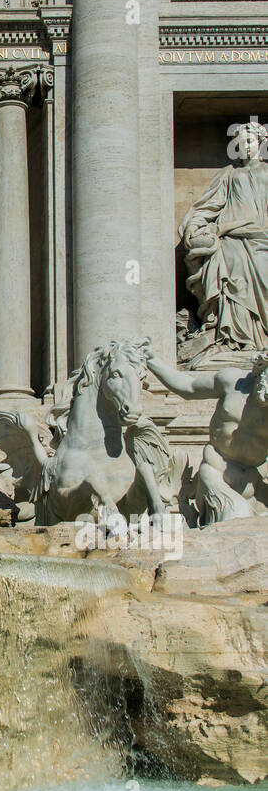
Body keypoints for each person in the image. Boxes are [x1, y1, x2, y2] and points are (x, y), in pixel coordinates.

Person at [145, 342, 268, 523]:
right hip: (216, 473)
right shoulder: (233, 382)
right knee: (236, 520)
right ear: (262, 368)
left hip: (255, 483)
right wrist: (151, 360)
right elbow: (189, 387)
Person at [179, 119, 268, 353]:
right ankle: (238, 338)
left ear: (261, 142)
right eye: (241, 143)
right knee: (229, 264)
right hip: (231, 240)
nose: (246, 146)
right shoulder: (228, 174)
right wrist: (194, 225)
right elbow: (209, 206)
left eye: (250, 141)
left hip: (262, 237)